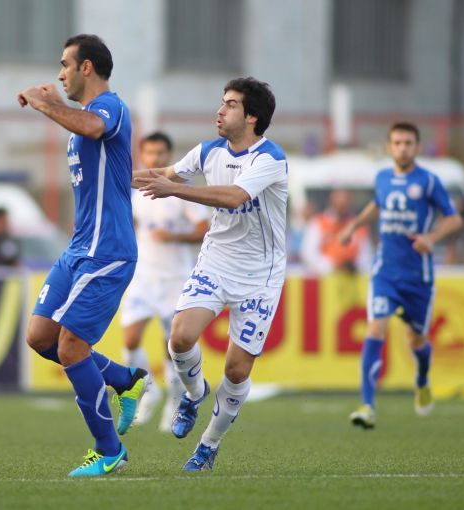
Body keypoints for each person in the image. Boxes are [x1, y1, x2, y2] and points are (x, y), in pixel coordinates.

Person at [135, 77, 287, 471]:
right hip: (216, 262)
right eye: (222, 102)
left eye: (230, 105)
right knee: (180, 337)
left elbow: (233, 196)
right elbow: (163, 174)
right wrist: (113, 178)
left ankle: (208, 446)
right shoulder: (207, 151)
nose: (220, 110)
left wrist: (174, 189)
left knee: (236, 370)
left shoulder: (269, 159)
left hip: (260, 276)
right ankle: (193, 393)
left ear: (252, 117)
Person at [17, 34, 147, 477]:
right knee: (40, 336)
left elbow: (92, 127)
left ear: (86, 67)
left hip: (108, 251)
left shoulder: (111, 107)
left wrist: (44, 104)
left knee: (72, 347)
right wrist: (54, 103)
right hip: (78, 248)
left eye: (65, 65)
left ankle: (109, 451)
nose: (59, 74)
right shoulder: (84, 116)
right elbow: (83, 127)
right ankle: (124, 380)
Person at [339, 122, 462, 429]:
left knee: (416, 338)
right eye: (397, 143)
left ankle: (422, 379)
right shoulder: (382, 177)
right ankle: (367, 406)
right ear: (389, 147)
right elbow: (377, 205)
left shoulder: (428, 181)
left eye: (408, 143)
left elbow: (454, 219)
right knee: (375, 329)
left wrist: (431, 238)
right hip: (385, 273)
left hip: (418, 277)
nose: (403, 148)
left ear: (417, 147)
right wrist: (354, 226)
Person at [121, 131, 209, 430]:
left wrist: (172, 236)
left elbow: (203, 229)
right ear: (142, 155)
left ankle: (174, 397)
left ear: (169, 156)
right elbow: (131, 226)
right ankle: (148, 389)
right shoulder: (136, 193)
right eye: (150, 153)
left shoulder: (180, 190)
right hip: (143, 277)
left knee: (172, 347)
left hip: (176, 279)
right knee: (130, 340)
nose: (155, 158)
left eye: (160, 153)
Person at [301, 189, 371, 275]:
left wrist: (353, 267)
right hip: (326, 277)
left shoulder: (358, 226)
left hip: (353, 277)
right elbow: (309, 254)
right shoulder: (318, 223)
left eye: (345, 203)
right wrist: (333, 266)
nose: (342, 207)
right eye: (340, 204)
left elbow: (365, 257)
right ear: (331, 202)